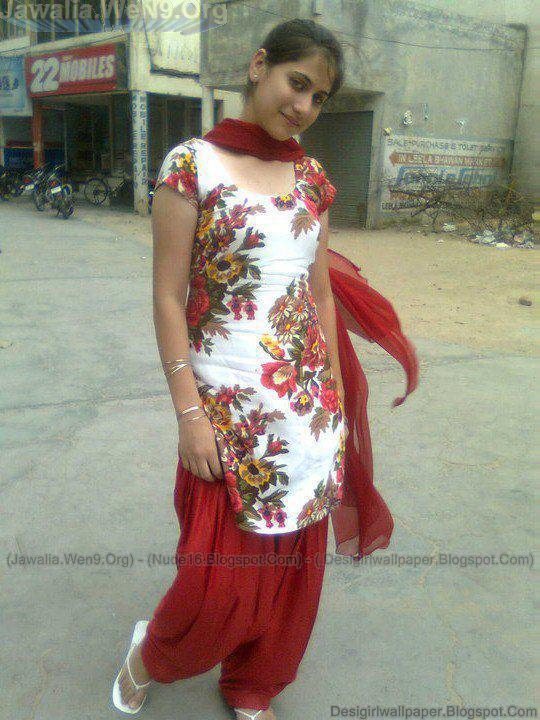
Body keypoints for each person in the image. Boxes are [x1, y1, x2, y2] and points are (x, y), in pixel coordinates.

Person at [111, 17, 418, 720]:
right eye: (296, 83)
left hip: (303, 407)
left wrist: (334, 402)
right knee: (215, 581)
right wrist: (188, 415)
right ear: (259, 66)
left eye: (319, 97)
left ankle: (253, 680)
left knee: (288, 573)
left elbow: (319, 295)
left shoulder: (311, 179)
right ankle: (151, 653)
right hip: (223, 408)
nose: (303, 106)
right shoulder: (191, 166)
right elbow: (167, 297)